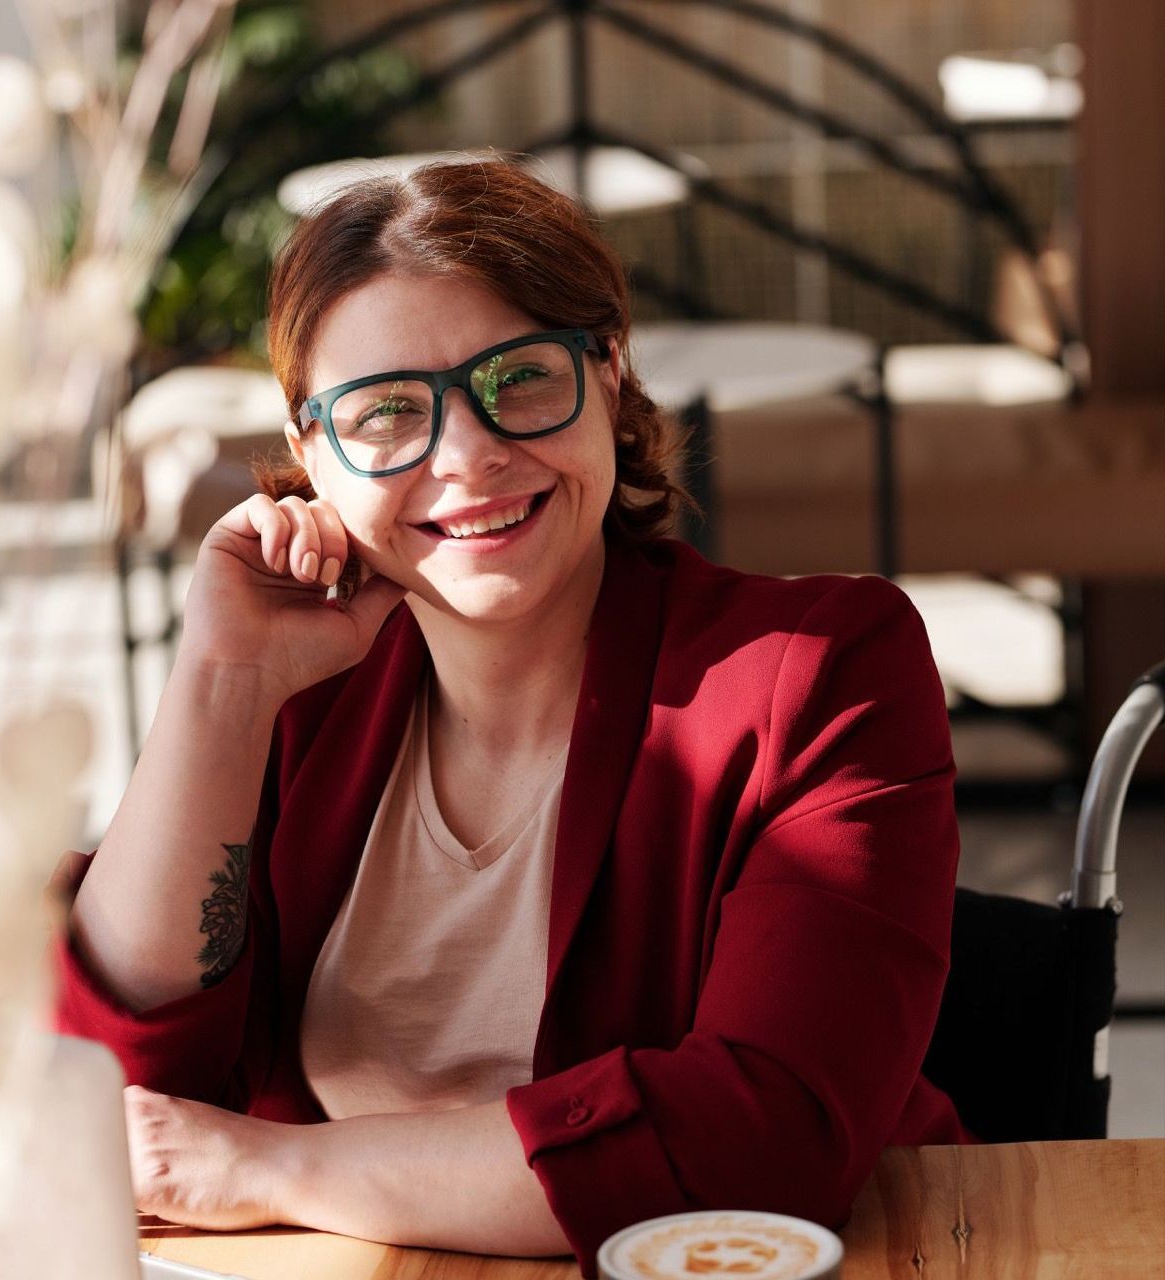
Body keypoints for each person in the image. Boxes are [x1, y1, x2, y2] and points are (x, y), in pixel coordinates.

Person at [55, 158, 972, 1276]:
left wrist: (261, 1168)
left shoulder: (824, 667)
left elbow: (765, 1137)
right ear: (310, 458)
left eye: (519, 378)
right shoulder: (295, 694)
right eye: (385, 411)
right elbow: (106, 1094)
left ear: (609, 375)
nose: (465, 453)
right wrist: (219, 684)